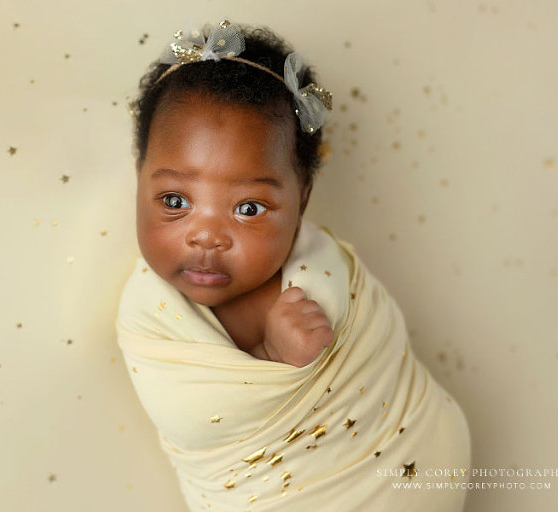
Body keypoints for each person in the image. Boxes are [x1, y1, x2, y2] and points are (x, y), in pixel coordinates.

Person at [117, 19, 471, 511]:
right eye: (175, 199)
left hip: (406, 459)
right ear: (139, 180)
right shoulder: (147, 318)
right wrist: (271, 357)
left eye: (248, 208)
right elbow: (192, 417)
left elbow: (372, 352)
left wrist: (288, 353)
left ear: (301, 199)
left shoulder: (321, 275)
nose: (206, 236)